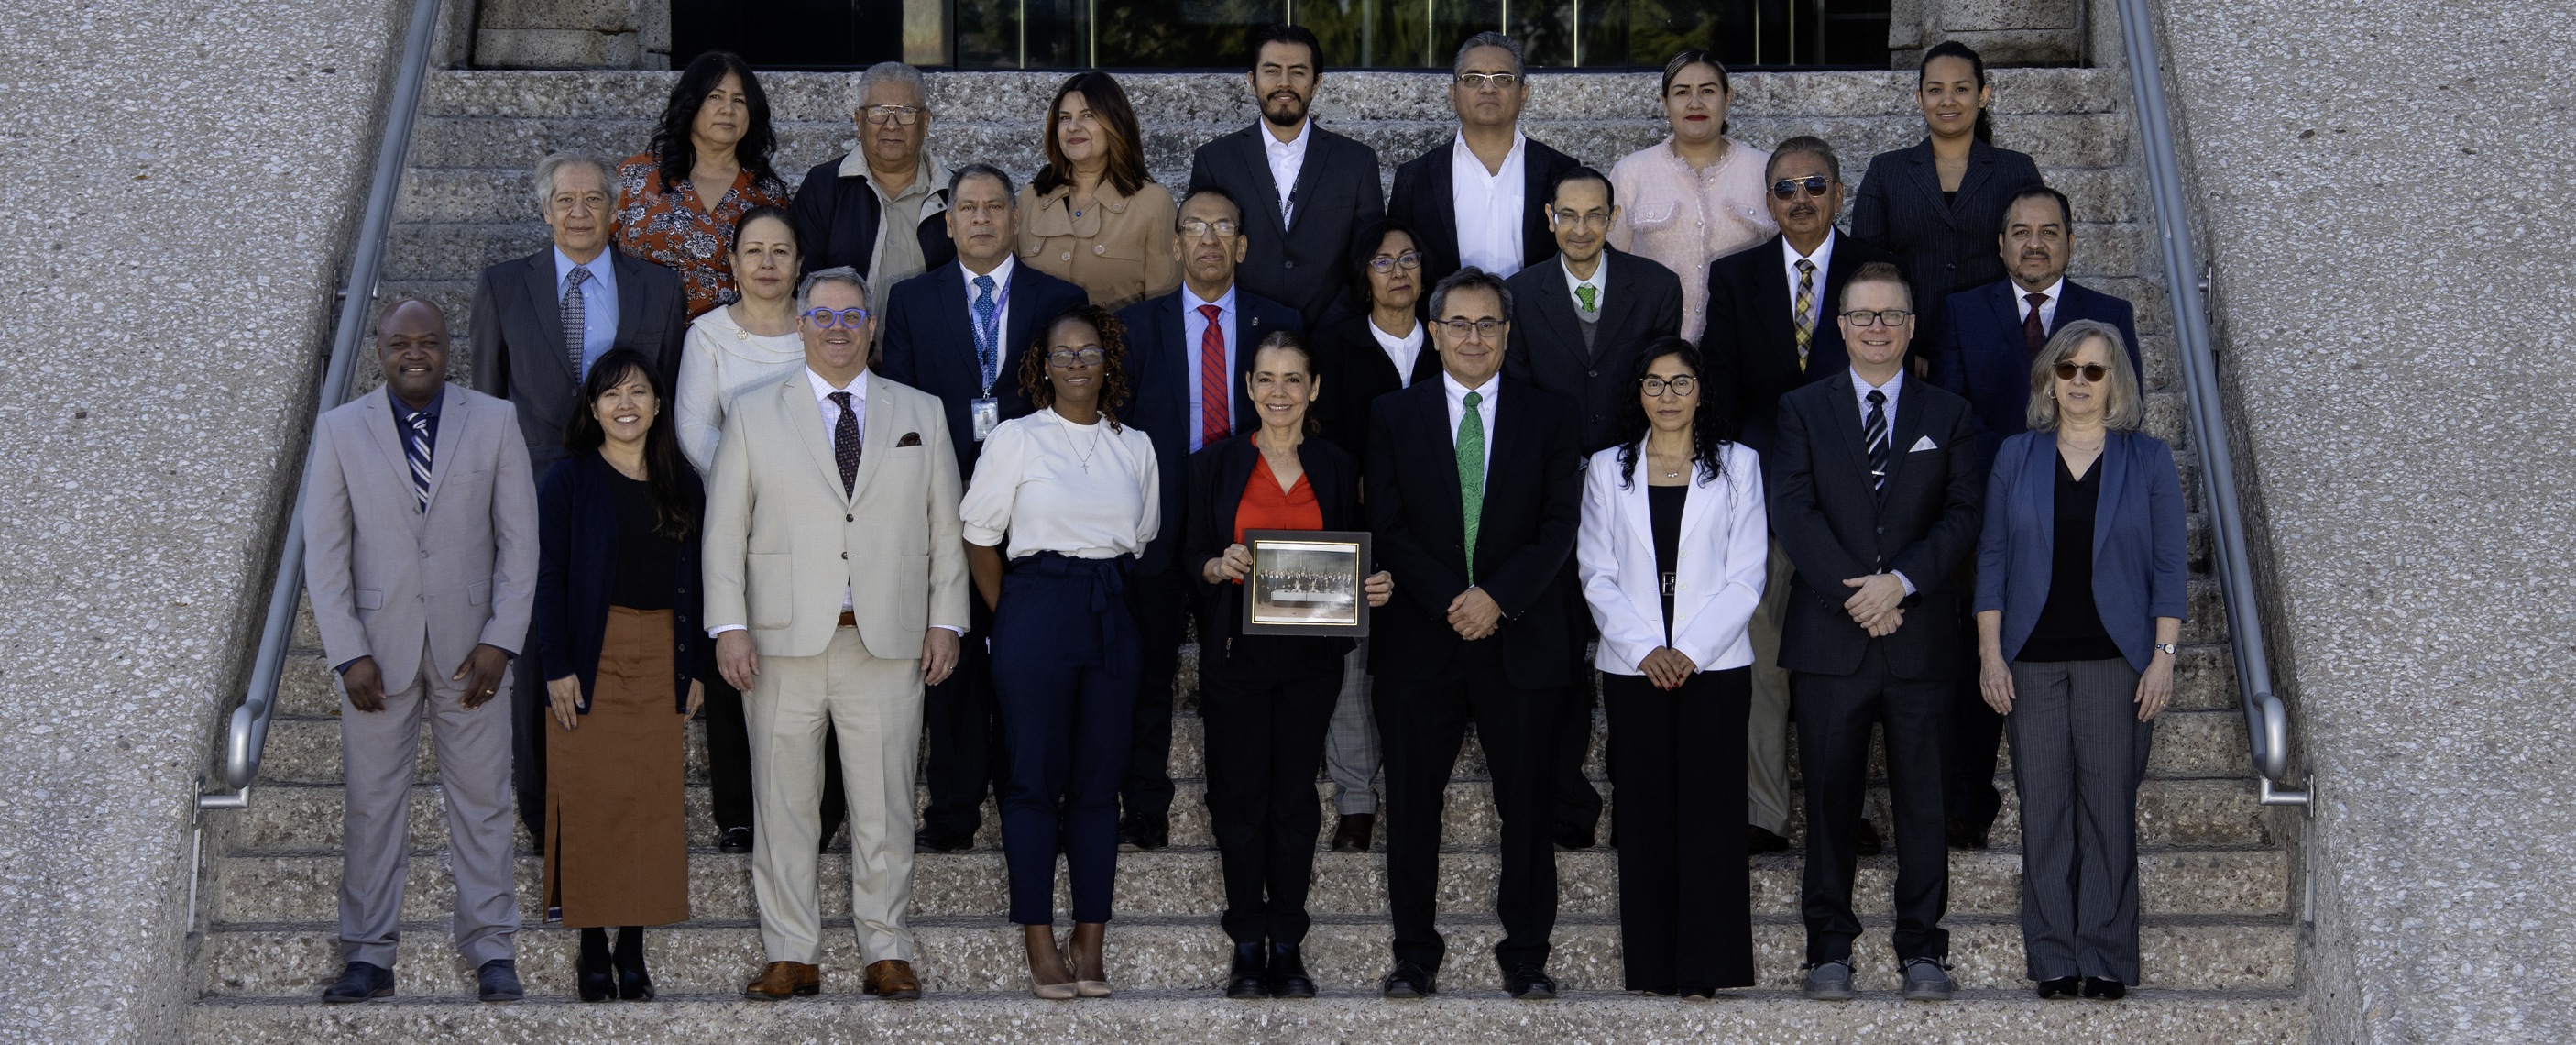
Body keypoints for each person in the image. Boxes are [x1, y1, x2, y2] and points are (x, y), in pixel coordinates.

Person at [702, 266, 970, 1003]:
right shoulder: (753, 412)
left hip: (885, 641)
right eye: (822, 317)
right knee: (782, 805)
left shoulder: (920, 410)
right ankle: (791, 951)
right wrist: (728, 625)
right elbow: (724, 529)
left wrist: (946, 618)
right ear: (800, 326)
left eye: (851, 318)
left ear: (871, 327)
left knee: (884, 803)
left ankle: (885, 947)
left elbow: (944, 528)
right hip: (781, 642)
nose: (837, 331)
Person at [305, 299, 534, 1005]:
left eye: (428, 342)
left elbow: (520, 542)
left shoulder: (494, 421)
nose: (415, 353)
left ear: (447, 349)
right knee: (373, 809)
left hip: (474, 658)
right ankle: (368, 956)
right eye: (400, 342)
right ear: (378, 349)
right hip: (378, 656)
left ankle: (492, 950)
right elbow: (326, 550)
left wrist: (501, 638)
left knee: (484, 804)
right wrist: (347, 654)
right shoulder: (340, 431)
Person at [1365, 267, 1582, 1000]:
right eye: (1458, 324)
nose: (1473, 337)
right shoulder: (1392, 415)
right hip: (1418, 645)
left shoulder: (1550, 416)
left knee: (1525, 806)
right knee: (1412, 810)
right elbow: (1387, 526)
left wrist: (1496, 598)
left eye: (1488, 324)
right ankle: (1413, 955)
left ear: (1508, 333)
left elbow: (1559, 526)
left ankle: (1526, 953)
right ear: (1433, 332)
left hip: (1518, 642)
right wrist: (1451, 599)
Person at [1770, 261, 1980, 1003]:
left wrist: (1902, 583)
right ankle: (1828, 946)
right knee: (1828, 799)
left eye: (1891, 315)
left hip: (1920, 637)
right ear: (1840, 325)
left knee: (1924, 799)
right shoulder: (1799, 410)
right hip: (1832, 639)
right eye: (1862, 316)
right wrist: (1860, 594)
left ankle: (1923, 946)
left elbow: (1961, 514)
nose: (1876, 328)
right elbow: (1793, 512)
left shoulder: (1947, 414)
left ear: (1912, 324)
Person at [472, 150, 690, 844]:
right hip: (534, 492)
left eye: (592, 199)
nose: (578, 212)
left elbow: (672, 397)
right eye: (564, 201)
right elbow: (485, 402)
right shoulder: (504, 286)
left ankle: (623, 810)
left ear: (614, 207)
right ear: (544, 210)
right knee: (542, 648)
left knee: (627, 639)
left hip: (632, 493)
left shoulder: (658, 288)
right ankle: (544, 815)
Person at [877, 162, 1091, 853]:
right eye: (966, 208)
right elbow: (899, 408)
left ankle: (1035, 804)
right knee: (951, 664)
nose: (980, 219)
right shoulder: (910, 301)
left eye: (994, 207)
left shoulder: (1060, 298)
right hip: (941, 506)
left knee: (1033, 669)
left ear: (1014, 218)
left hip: (1035, 513)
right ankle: (953, 812)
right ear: (948, 223)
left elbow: (1074, 406)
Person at [1701, 135, 1900, 857]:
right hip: (1757, 503)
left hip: (1854, 508)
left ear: (1838, 194)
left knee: (1837, 673)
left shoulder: (1875, 275)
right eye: (1785, 189)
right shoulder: (1736, 277)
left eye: (1814, 185)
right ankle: (1761, 812)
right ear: (1767, 200)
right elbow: (1718, 391)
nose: (1799, 200)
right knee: (1756, 661)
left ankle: (1838, 815)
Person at [1974, 320, 2183, 1002]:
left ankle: (2107, 957)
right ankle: (2053, 957)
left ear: (2114, 381)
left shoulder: (2147, 460)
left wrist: (2163, 657)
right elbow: (1995, 560)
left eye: (2094, 371)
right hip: (2029, 661)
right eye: (2067, 370)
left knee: (2107, 813)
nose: (2079, 384)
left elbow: (2167, 567)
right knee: (2044, 809)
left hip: (2115, 661)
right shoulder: (2015, 456)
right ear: (2048, 379)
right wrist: (1989, 653)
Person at [1930, 184, 2143, 851]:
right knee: (1975, 665)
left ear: (2070, 243)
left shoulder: (2108, 313)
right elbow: (1954, 418)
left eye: (2048, 231)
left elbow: (2121, 417)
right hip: (1990, 513)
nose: (2033, 243)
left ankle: (2079, 810)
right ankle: (1965, 803)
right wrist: (2025, 464)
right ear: (1999, 244)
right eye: (2019, 231)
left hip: (2082, 518)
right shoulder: (1962, 311)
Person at [959, 304, 1161, 999]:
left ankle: (1091, 936)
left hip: (1109, 611)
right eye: (1063, 353)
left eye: (1090, 352)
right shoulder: (1016, 439)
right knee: (1032, 782)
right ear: (1043, 365)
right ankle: (1040, 939)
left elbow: (1139, 537)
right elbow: (979, 536)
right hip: (1034, 608)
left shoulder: (1134, 446)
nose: (1077, 363)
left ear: (1108, 363)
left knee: (1098, 785)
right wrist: (1011, 616)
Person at [1187, 331, 1395, 999]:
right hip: (1235, 656)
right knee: (1240, 796)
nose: (1279, 393)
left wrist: (1373, 585)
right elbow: (1186, 553)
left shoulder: (1336, 464)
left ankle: (1289, 940)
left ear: (1313, 390)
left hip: (1311, 657)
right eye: (1267, 379)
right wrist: (1215, 565)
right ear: (1248, 387)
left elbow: (1360, 549)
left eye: (1292, 380)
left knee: (1295, 800)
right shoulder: (1214, 466)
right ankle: (1247, 940)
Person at [1113, 184, 1303, 851]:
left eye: (1224, 227)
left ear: (1242, 245)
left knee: (1249, 670)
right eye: (1195, 227)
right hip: (1162, 522)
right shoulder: (1136, 328)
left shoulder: (1278, 322)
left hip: (1250, 523)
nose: (1209, 239)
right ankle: (1144, 803)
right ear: (1175, 244)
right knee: (1149, 668)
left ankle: (1249, 801)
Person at [1575, 338, 1765, 998]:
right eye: (1654, 384)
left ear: (1700, 391)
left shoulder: (1740, 466)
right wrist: (1644, 649)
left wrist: (1689, 650)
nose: (1667, 397)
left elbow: (1747, 576)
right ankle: (1653, 966)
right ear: (1638, 394)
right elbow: (1595, 574)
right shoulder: (1606, 469)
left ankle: (1705, 968)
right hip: (1634, 669)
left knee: (1710, 817)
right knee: (1647, 814)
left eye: (1679, 383)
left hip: (1713, 667)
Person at [1503, 164, 1683, 851]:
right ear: (1549, 218)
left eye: (1594, 215)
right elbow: (1518, 393)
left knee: (1636, 643)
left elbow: (1662, 387)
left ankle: (1640, 799)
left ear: (1612, 219)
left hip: (1635, 493)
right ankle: (1565, 804)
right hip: (1548, 501)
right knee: (1558, 660)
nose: (1580, 228)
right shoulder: (1519, 294)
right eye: (1567, 215)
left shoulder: (1655, 287)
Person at [672, 204, 850, 855]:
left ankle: (822, 812)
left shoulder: (821, 328)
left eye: (780, 251)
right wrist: (761, 478)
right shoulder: (707, 336)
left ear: (800, 262)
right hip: (737, 519)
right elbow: (694, 428)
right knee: (735, 662)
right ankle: (740, 813)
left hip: (824, 521)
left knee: (821, 660)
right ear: (733, 261)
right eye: (753, 251)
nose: (768, 263)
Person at [531, 348, 707, 1002]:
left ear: (659, 404)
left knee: (648, 803)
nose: (625, 405)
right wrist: (555, 663)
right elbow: (546, 577)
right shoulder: (568, 479)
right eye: (610, 394)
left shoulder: (681, 481)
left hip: (664, 652)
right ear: (593, 407)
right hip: (590, 654)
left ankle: (631, 945)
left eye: (637, 392)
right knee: (588, 797)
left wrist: (696, 670)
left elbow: (699, 580)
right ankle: (588, 945)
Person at [1302, 216, 1441, 853]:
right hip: (1351, 531)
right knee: (1351, 670)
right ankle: (1356, 801)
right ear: (1363, 276)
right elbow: (1320, 444)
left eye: (1408, 258)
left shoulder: (1449, 343)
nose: (1398, 271)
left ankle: (1415, 790)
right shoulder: (1331, 346)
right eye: (1383, 261)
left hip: (1439, 531)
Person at [1853, 40, 2044, 367]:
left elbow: (2036, 259)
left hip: (1997, 345)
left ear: (1983, 96)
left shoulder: (2017, 170)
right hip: (1911, 350)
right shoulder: (1886, 171)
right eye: (1935, 89)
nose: (1947, 100)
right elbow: (1864, 268)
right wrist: (1902, 350)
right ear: (1919, 98)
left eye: (1961, 88)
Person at [1185, 24, 1387, 328]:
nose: (1284, 83)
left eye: (1297, 72)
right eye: (1271, 71)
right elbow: (1204, 253)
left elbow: (1366, 261)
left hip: (1331, 338)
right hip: (1241, 334)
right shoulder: (1215, 161)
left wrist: (1332, 325)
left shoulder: (1356, 162)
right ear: (1252, 81)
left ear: (1316, 82)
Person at [1387, 32, 1582, 290]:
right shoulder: (1415, 178)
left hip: (1535, 326)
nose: (1488, 88)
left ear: (1523, 95)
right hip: (1445, 327)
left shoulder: (1562, 172)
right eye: (1473, 78)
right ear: (1453, 95)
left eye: (1502, 78)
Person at [1606, 50, 1775, 344]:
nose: (1695, 103)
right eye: (1682, 92)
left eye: (1708, 91)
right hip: (1652, 347)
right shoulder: (1631, 172)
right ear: (1664, 102)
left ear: (1728, 98)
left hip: (1743, 347)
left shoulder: (1765, 170)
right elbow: (1609, 268)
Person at [615, 50, 794, 319]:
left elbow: (782, 273)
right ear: (690, 103)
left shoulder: (766, 194)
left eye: (739, 100)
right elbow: (595, 252)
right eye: (715, 97)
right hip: (642, 335)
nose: (728, 109)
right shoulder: (637, 175)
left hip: (730, 343)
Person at [789, 61, 955, 304]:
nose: (891, 125)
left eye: (906, 112)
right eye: (878, 111)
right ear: (859, 121)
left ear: (926, 121)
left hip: (930, 343)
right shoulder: (823, 187)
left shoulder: (955, 193)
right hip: (844, 339)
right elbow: (803, 279)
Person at [1018, 72, 1178, 311]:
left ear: (1114, 122)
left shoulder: (1153, 202)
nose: (1073, 127)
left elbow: (1164, 313)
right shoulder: (1030, 198)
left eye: (1088, 116)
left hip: (1120, 348)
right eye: (1064, 118)